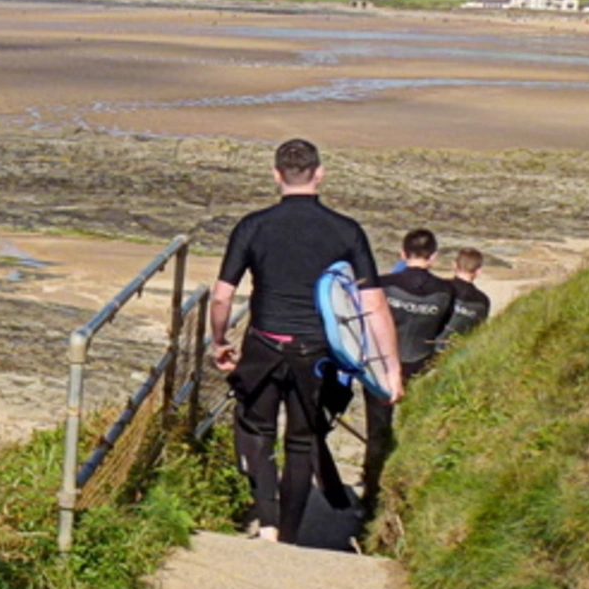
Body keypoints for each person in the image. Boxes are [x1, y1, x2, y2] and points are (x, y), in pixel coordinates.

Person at [210, 139, 402, 543]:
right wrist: (391, 369)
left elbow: (222, 295)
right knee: (301, 440)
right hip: (318, 353)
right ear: (319, 174)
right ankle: (290, 536)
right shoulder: (346, 230)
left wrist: (219, 340)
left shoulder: (252, 225)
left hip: (263, 343)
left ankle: (267, 521)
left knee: (257, 429)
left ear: (276, 175)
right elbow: (375, 305)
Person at [363, 229, 455, 514]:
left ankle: (370, 496)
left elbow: (365, 321)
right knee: (409, 429)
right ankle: (403, 494)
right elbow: (442, 332)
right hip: (421, 366)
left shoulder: (383, 284)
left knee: (378, 431)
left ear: (402, 254)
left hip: (379, 365)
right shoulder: (446, 291)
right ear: (434, 257)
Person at [438, 247, 492, 349]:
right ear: (479, 271)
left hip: (431, 347)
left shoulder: (440, 287)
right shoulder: (483, 301)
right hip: (457, 351)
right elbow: (477, 332)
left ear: (454, 265)